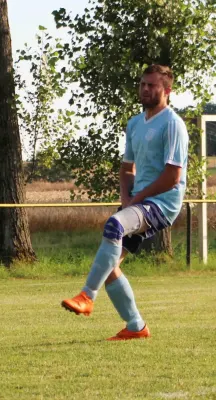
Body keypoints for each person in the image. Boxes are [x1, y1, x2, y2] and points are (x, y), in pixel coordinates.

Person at [61, 64, 188, 340]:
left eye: (152, 85)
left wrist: (138, 199)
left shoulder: (173, 124)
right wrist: (126, 198)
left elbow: (172, 177)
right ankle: (136, 326)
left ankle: (87, 296)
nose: (145, 89)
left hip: (163, 203)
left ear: (167, 90)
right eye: (142, 84)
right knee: (109, 267)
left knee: (113, 226)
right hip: (140, 203)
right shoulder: (134, 124)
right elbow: (127, 170)